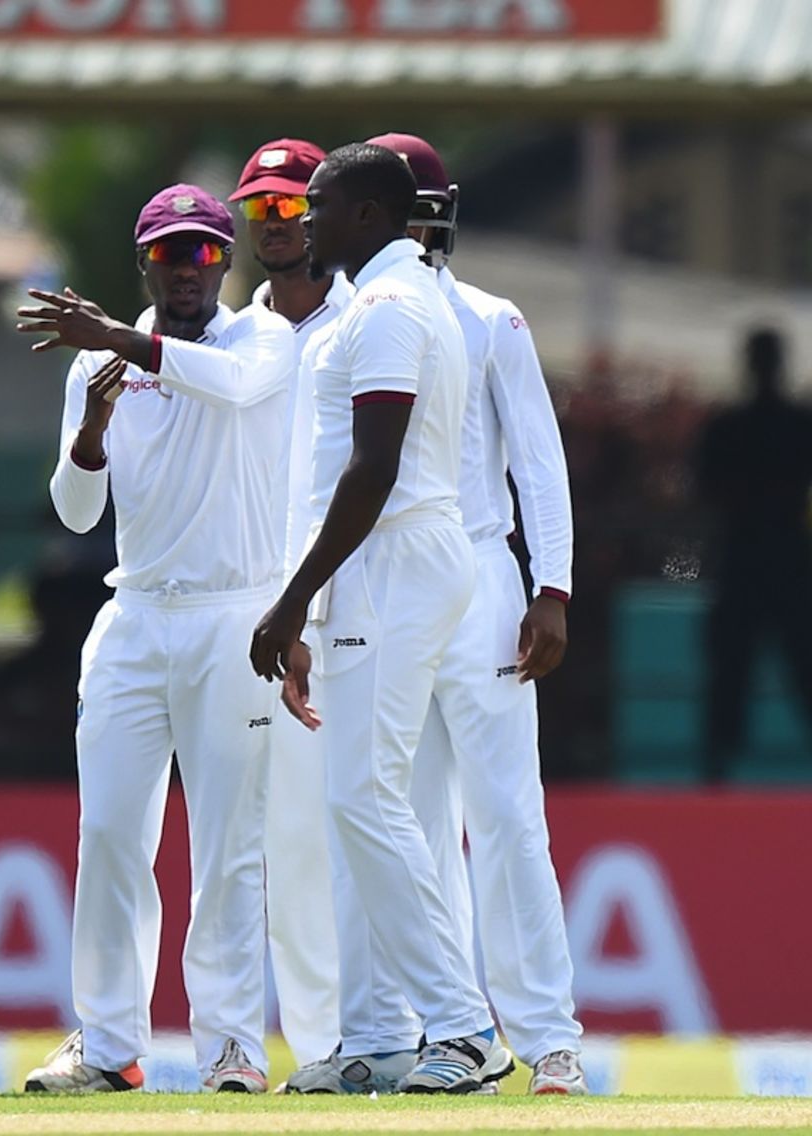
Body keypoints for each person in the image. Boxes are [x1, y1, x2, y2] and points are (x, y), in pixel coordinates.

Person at [15, 184, 294, 1093]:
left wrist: (121, 342)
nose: (189, 269)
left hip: (233, 614)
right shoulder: (97, 364)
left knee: (227, 846)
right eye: (172, 255)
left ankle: (230, 1051)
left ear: (228, 262)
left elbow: (231, 384)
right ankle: (105, 1046)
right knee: (108, 835)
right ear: (146, 262)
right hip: (135, 616)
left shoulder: (262, 338)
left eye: (206, 253)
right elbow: (75, 505)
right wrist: (91, 431)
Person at [250, 143, 511, 1094]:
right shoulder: (391, 300)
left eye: (316, 206)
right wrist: (313, 610)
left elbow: (373, 468)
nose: (301, 221)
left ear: (367, 216)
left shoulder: (391, 308)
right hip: (384, 565)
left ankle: (462, 1030)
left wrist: (289, 604)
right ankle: (384, 1038)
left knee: (364, 799)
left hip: (395, 558)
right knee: (363, 803)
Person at [365, 132, 585, 1095]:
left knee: (505, 816)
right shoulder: (358, 319)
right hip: (389, 582)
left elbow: (538, 460)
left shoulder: (492, 319)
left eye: (428, 205)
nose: (423, 225)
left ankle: (549, 1039)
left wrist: (552, 587)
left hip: (480, 572)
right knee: (410, 819)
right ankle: (451, 1031)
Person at [229, 138, 353, 1071]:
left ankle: (411, 1034)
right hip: (256, 616)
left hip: (358, 612)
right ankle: (321, 1052)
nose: (272, 226)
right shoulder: (232, 337)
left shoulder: (371, 318)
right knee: (284, 843)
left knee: (379, 831)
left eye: (288, 208)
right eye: (257, 210)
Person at [696, 327, 812, 783]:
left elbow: (704, 491)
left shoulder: (727, 428)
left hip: (743, 561)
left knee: (731, 674)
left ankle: (715, 776)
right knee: (797, 666)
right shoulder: (800, 424)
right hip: (790, 564)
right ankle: (716, 770)